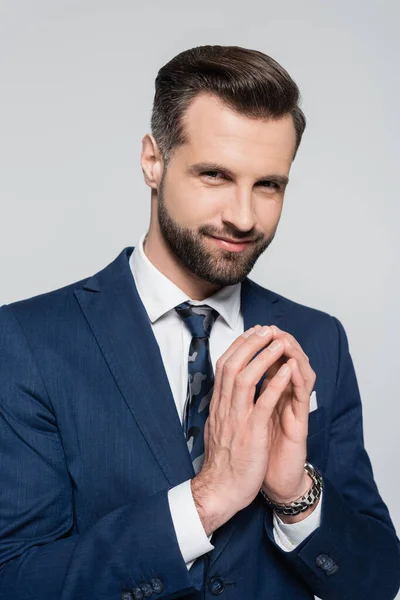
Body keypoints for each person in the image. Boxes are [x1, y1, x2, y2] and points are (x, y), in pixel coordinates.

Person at [0, 44, 399, 600]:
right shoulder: (27, 341)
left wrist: (294, 494)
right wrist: (205, 499)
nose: (243, 216)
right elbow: (16, 582)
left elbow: (375, 582)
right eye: (215, 175)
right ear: (153, 162)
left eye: (269, 185)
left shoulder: (318, 339)